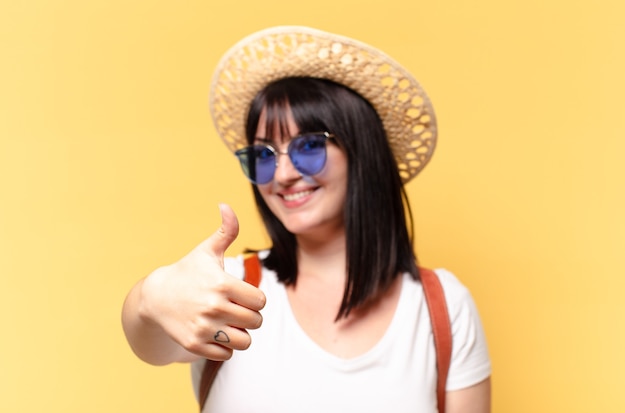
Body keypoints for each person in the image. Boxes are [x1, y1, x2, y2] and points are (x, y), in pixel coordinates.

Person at [122, 26, 491, 413]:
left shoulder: (443, 307)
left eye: (309, 147)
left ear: (361, 153)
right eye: (264, 154)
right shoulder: (229, 288)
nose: (282, 175)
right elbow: (149, 341)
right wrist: (152, 296)